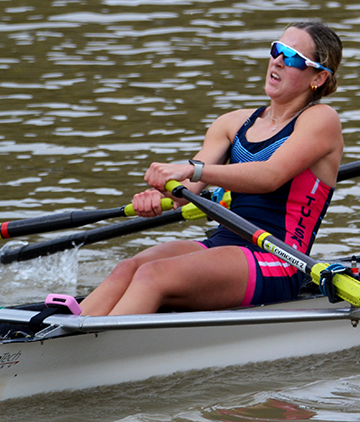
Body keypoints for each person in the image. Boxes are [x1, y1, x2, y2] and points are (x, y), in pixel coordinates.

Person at [79, 20, 343, 315]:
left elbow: (270, 176)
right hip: (222, 244)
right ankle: (56, 337)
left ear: (318, 77)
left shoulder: (321, 120)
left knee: (152, 276)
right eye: (277, 50)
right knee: (129, 268)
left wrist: (192, 170)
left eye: (292, 57)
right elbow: (185, 193)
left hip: (279, 259)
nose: (278, 61)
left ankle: (100, 353)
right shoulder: (232, 123)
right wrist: (155, 195)